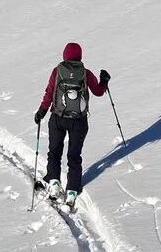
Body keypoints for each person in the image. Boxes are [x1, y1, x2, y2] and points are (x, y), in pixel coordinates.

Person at [33, 42, 110, 209]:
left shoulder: (58, 71)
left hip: (58, 118)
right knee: (74, 156)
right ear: (80, 56)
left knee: (54, 152)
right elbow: (97, 91)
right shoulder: (85, 73)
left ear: (64, 55)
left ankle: (54, 184)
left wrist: (41, 112)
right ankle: (72, 190)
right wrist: (104, 81)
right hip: (79, 121)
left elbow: (49, 93)